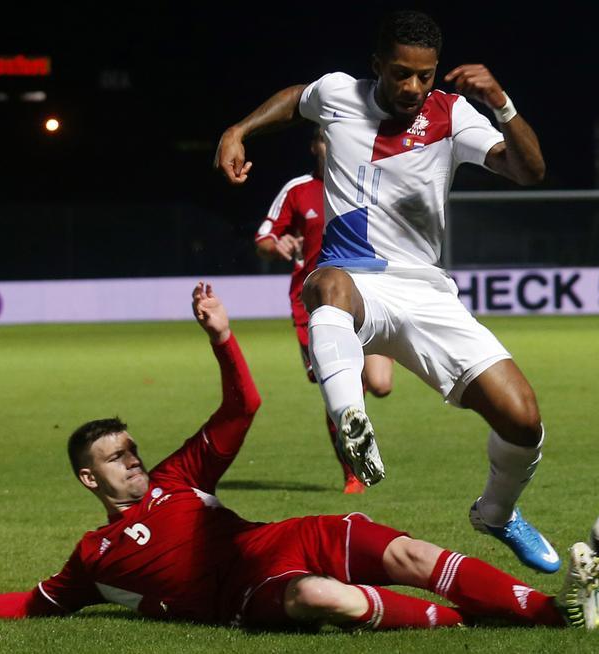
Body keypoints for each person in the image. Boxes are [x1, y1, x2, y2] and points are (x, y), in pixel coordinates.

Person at [0, 282, 599, 631]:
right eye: (115, 456)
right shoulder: (94, 558)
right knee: (322, 598)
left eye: (131, 449)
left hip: (285, 538)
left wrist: (222, 338)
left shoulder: (178, 478)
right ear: (87, 477)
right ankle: (466, 623)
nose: (132, 460)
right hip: (254, 595)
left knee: (412, 555)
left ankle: (556, 611)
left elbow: (242, 408)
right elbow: (29, 605)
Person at [214, 9, 560, 573]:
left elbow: (530, 171)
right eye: (401, 74)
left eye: (425, 76)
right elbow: (296, 99)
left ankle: (496, 513)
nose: (413, 88)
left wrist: (503, 104)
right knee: (324, 284)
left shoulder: (454, 115)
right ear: (376, 66)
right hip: (356, 283)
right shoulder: (339, 94)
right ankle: (352, 421)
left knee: (523, 419)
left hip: (426, 293)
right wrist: (239, 130)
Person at [255, 126, 394, 494]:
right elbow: (264, 239)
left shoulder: (366, 183)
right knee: (337, 385)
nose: (331, 146)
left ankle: (356, 384)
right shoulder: (298, 190)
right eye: (323, 139)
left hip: (367, 296)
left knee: (380, 384)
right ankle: (352, 471)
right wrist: (277, 243)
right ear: (314, 145)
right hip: (315, 305)